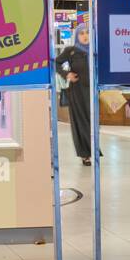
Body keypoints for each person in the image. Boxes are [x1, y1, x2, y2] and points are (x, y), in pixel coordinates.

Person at [54, 21, 95, 164]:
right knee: (81, 121)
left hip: (92, 90)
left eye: (87, 32)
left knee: (92, 120)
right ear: (77, 35)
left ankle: (93, 149)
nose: (85, 36)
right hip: (77, 91)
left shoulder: (95, 50)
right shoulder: (71, 50)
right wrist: (67, 74)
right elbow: (56, 63)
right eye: (82, 33)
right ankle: (86, 154)